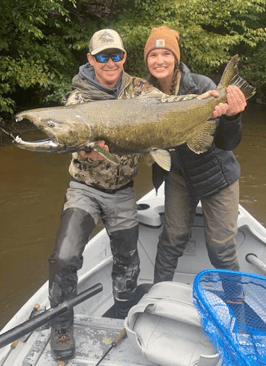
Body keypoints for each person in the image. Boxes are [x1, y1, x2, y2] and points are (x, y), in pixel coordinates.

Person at [48, 28, 228, 361]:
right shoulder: (77, 99)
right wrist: (86, 152)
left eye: (115, 55)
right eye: (102, 56)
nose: (110, 62)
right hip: (84, 189)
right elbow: (66, 140)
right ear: (91, 59)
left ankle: (123, 308)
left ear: (124, 57)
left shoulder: (139, 89)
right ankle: (61, 324)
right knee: (63, 257)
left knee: (128, 260)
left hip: (123, 191)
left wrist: (204, 103)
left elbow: (167, 105)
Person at [143, 26, 247, 285]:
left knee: (220, 247)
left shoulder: (202, 86)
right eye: (153, 55)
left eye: (166, 53)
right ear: (146, 60)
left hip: (217, 175)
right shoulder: (143, 93)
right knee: (171, 239)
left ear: (176, 57)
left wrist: (232, 115)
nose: (160, 61)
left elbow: (227, 142)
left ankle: (236, 301)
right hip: (178, 176)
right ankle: (157, 294)